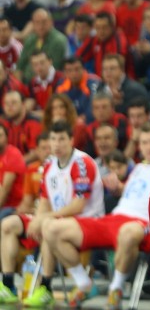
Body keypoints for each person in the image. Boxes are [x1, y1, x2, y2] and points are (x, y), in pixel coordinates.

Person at [44, 123, 150, 309]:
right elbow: (134, 193)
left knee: (128, 233)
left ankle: (116, 290)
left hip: (143, 223)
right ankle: (84, 283)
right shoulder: (139, 167)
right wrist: (118, 189)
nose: (149, 147)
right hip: (115, 218)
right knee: (52, 229)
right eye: (144, 142)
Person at [0, 120, 104, 306]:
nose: (57, 144)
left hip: (85, 220)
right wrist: (37, 219)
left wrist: (43, 218)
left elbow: (78, 206)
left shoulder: (82, 163)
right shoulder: (49, 164)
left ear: (71, 140)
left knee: (49, 226)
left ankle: (46, 287)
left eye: (62, 139)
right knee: (8, 224)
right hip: (56, 218)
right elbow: (45, 200)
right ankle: (8, 286)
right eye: (53, 139)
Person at [15, 8, 68, 83]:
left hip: (47, 83)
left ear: (51, 22)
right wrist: (19, 86)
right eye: (37, 22)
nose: (41, 26)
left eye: (44, 22)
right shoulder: (30, 39)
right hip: (26, 84)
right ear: (33, 24)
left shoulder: (58, 41)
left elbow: (54, 71)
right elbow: (19, 67)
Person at [0, 122, 26, 221]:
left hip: (12, 206)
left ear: (7, 137)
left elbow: (5, 190)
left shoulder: (13, 155)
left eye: (0, 135)